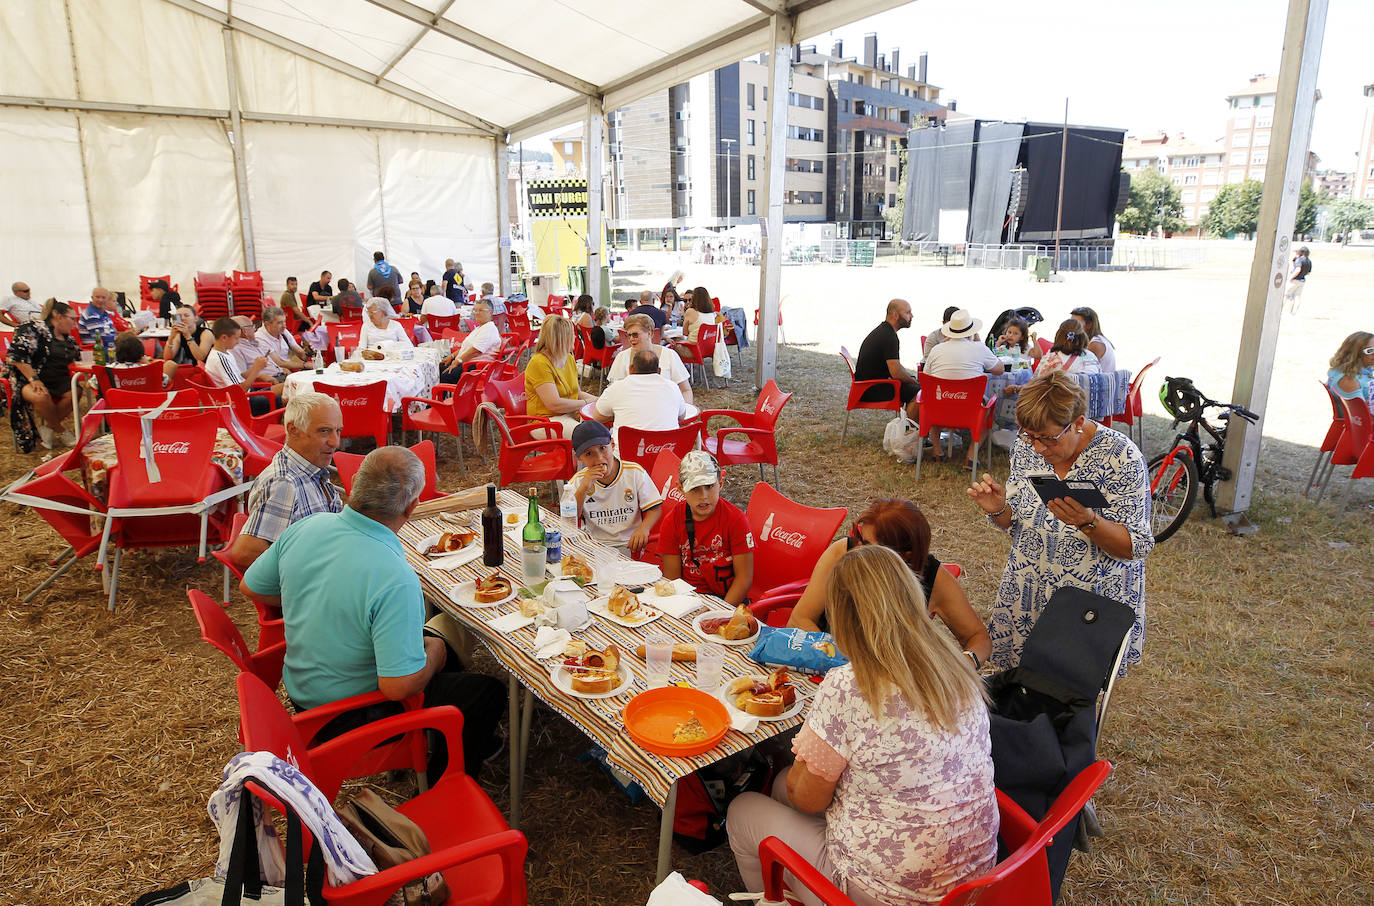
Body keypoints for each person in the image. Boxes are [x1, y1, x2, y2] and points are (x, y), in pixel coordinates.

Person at [727, 544, 998, 906]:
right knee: (778, 785)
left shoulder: (849, 686)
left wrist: (805, 771)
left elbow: (807, 798)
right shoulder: (956, 666)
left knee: (743, 810)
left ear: (843, 616)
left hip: (889, 895)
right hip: (975, 879)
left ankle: (775, 899)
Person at [240, 446, 507, 779]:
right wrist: (435, 655)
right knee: (485, 689)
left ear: (355, 486)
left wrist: (312, 593)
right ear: (412, 507)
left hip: (303, 697)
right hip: (349, 717)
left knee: (435, 645)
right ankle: (446, 781)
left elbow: (251, 586)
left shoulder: (307, 527)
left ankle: (439, 737)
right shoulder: (395, 577)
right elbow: (398, 687)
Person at [967, 370, 1153, 673]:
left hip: (1088, 604)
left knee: (1073, 695)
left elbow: (1135, 547)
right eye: (1030, 436)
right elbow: (1018, 524)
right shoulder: (1027, 445)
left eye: (1048, 438)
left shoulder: (1121, 457)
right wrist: (998, 509)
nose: (1038, 447)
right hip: (1028, 588)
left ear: (1078, 422)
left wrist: (1088, 522)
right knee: (1021, 686)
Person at [787, 499, 992, 669]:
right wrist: (841, 658)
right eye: (859, 537)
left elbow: (979, 637)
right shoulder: (843, 552)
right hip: (828, 667)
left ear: (904, 555)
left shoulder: (933, 579)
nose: (858, 548)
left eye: (868, 545)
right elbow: (799, 619)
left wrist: (965, 664)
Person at [227, 391, 343, 567]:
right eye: (324, 431)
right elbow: (245, 554)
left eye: (338, 431)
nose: (335, 442)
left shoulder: (310, 469)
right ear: (293, 430)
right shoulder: (284, 482)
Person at [656, 451, 753, 605]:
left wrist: (722, 613)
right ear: (680, 489)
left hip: (727, 599)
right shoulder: (672, 522)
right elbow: (673, 580)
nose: (704, 496)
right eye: (694, 488)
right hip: (687, 597)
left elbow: (744, 578)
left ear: (720, 483)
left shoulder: (736, 519)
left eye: (709, 486)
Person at [569, 420, 663, 554]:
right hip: (594, 545)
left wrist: (644, 529)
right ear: (579, 458)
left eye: (602, 448)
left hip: (629, 544)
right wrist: (583, 489)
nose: (599, 458)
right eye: (589, 454)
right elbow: (570, 519)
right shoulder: (578, 482)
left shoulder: (634, 472)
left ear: (612, 445)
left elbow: (655, 509)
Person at [3, 299, 80, 450]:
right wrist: (34, 379)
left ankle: (49, 427)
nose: (74, 324)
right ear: (58, 317)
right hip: (26, 379)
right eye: (72, 319)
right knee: (41, 395)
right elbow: (16, 357)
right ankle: (61, 430)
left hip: (58, 380)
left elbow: (78, 358)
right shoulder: (32, 328)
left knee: (76, 392)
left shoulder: (69, 339)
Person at [593, 348, 689, 441]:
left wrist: (619, 413)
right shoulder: (673, 387)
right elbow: (681, 416)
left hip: (624, 455)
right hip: (666, 453)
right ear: (659, 371)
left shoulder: (616, 387)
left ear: (631, 369)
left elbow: (597, 416)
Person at [524, 315, 596, 434]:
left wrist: (598, 400)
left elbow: (577, 393)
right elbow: (554, 404)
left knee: (601, 426)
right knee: (588, 434)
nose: (574, 338)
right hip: (544, 421)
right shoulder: (539, 363)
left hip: (568, 414)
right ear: (560, 339)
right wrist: (588, 403)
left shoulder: (568, 358)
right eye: (571, 335)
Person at [853, 299, 919, 420]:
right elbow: (896, 372)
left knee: (914, 387)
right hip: (870, 389)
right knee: (919, 393)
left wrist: (911, 378)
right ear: (895, 315)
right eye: (908, 313)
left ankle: (910, 430)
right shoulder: (889, 337)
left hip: (868, 386)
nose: (912, 316)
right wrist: (914, 382)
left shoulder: (885, 331)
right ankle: (910, 434)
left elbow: (897, 367)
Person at [607, 314, 694, 405]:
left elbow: (686, 390)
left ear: (650, 333)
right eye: (628, 335)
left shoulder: (669, 355)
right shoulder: (622, 357)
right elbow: (612, 390)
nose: (631, 339)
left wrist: (685, 412)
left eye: (635, 335)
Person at [205, 317, 283, 415]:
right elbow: (240, 391)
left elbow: (240, 376)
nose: (238, 342)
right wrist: (256, 369)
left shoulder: (225, 353)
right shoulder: (220, 359)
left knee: (287, 387)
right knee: (289, 398)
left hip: (248, 395)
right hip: (244, 402)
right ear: (224, 338)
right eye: (236, 338)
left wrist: (256, 367)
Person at [922, 309, 1004, 380]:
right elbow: (1000, 370)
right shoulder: (980, 348)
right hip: (972, 397)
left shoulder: (936, 349)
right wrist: (979, 343)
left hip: (940, 397)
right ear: (972, 332)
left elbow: (926, 376)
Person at [439, 298, 500, 381]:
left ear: (490, 312)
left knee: (441, 376)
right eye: (475, 310)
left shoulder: (489, 329)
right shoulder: (480, 327)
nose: (477, 313)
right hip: (467, 362)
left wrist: (457, 361)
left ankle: (441, 391)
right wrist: (452, 356)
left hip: (476, 367)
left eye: (481, 310)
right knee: (438, 369)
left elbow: (475, 350)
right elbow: (467, 347)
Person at [1036, 319, 1100, 376]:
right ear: (1083, 337)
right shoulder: (1090, 357)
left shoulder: (1050, 357)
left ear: (1058, 336)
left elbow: (1037, 379)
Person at [257, 305, 311, 372]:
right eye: (279, 323)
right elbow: (279, 363)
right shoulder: (260, 339)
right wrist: (304, 365)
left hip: (287, 370)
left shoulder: (283, 331)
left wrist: (310, 351)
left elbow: (301, 353)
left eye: (284, 321)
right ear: (267, 324)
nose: (284, 326)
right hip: (276, 374)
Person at [111, 331, 176, 384]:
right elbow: (165, 382)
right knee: (170, 364)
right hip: (150, 398)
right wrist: (148, 364)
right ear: (141, 350)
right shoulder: (149, 371)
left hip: (118, 398)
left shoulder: (109, 369)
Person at [1326, 331, 1374, 402]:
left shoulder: (1364, 370)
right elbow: (1360, 410)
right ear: (1355, 353)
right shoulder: (1348, 380)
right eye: (1370, 351)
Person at [1069, 307, 1117, 373]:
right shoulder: (1093, 340)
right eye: (1070, 322)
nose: (1071, 326)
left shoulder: (1095, 344)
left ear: (1089, 325)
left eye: (1076, 323)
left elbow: (1086, 371)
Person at [1285, 245, 1311, 314]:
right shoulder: (1309, 261)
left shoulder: (1299, 260)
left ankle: (1282, 309)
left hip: (1295, 280)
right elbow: (1308, 272)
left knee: (1286, 294)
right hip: (1302, 280)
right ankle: (1294, 312)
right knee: (1297, 296)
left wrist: (1290, 278)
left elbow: (1298, 269)